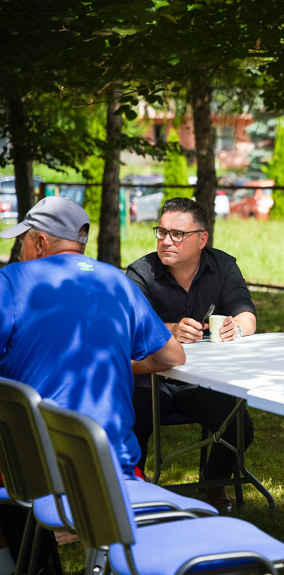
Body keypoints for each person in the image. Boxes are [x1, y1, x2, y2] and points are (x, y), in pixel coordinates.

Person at [0, 197, 185, 563]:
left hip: (30, 468)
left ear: (39, 242)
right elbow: (172, 356)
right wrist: (118, 359)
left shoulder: (10, 282)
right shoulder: (118, 281)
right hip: (112, 465)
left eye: (21, 241)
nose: (19, 250)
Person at [126, 197, 256, 514]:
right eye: (161, 231)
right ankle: (133, 491)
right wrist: (169, 330)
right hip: (153, 377)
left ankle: (213, 481)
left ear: (202, 239)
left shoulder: (223, 266)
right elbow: (131, 331)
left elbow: (248, 316)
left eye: (177, 234)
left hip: (203, 380)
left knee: (240, 425)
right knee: (134, 415)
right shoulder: (140, 273)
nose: (166, 240)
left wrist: (234, 328)